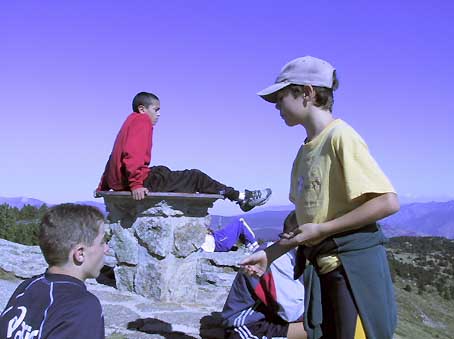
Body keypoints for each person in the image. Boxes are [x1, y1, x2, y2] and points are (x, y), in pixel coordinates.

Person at [241, 56, 400, 339]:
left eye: (280, 96)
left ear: (307, 92)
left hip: (353, 275)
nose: (277, 105)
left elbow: (386, 202)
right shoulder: (304, 152)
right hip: (325, 272)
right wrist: (270, 254)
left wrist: (323, 229)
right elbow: (302, 223)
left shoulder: (340, 136)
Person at [95, 91, 272, 212]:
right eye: (156, 110)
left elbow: (114, 157)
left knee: (162, 171)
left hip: (123, 180)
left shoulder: (128, 123)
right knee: (195, 176)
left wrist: (102, 186)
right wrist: (136, 185)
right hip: (134, 181)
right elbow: (131, 153)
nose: (159, 114)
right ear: (142, 109)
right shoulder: (142, 121)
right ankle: (241, 197)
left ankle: (239, 196)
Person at [0, 204, 108, 339]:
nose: (106, 249)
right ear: (80, 253)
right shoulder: (82, 307)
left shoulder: (27, 287)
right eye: (102, 242)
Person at [221, 211, 322, 339]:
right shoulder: (276, 260)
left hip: (276, 319)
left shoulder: (297, 257)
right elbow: (293, 312)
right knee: (328, 326)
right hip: (250, 327)